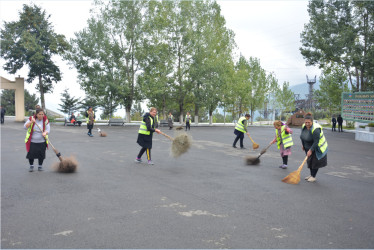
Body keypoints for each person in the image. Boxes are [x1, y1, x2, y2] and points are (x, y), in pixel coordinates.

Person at [300, 112, 328, 182]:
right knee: (309, 161)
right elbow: (302, 136)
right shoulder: (304, 126)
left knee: (315, 162)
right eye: (306, 122)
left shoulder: (316, 129)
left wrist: (311, 150)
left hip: (317, 147)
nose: (307, 124)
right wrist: (303, 144)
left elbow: (316, 142)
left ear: (312, 122)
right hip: (307, 146)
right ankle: (311, 174)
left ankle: (313, 176)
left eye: (308, 122)